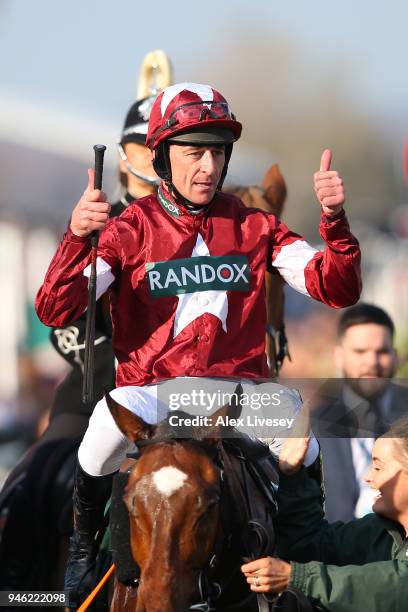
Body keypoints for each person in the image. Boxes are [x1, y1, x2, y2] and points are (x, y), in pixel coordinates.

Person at [34, 82, 362, 604]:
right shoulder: (127, 230)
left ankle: (306, 559)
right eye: (194, 152)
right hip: (152, 390)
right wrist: (76, 237)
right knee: (99, 431)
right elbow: (55, 309)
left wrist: (335, 223)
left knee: (307, 436)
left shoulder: (258, 225)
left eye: (217, 152)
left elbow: (337, 288)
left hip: (238, 393)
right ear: (162, 158)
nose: (207, 166)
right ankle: (81, 552)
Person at [0, 94, 159, 590]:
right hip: (94, 392)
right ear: (124, 152)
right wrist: (112, 360)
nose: (153, 158)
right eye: (142, 146)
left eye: (163, 146)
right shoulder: (97, 220)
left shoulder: (203, 227)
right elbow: (59, 318)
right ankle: (18, 588)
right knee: (35, 474)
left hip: (180, 393)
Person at [241, 415, 408, 612]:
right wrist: (293, 474)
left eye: (379, 468)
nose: (368, 477)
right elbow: (309, 546)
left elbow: (399, 585)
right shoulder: (378, 531)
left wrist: (299, 578)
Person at [315, 303, 408, 522]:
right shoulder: (313, 425)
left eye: (382, 352)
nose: (372, 362)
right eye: (360, 351)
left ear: (395, 356)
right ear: (338, 356)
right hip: (335, 551)